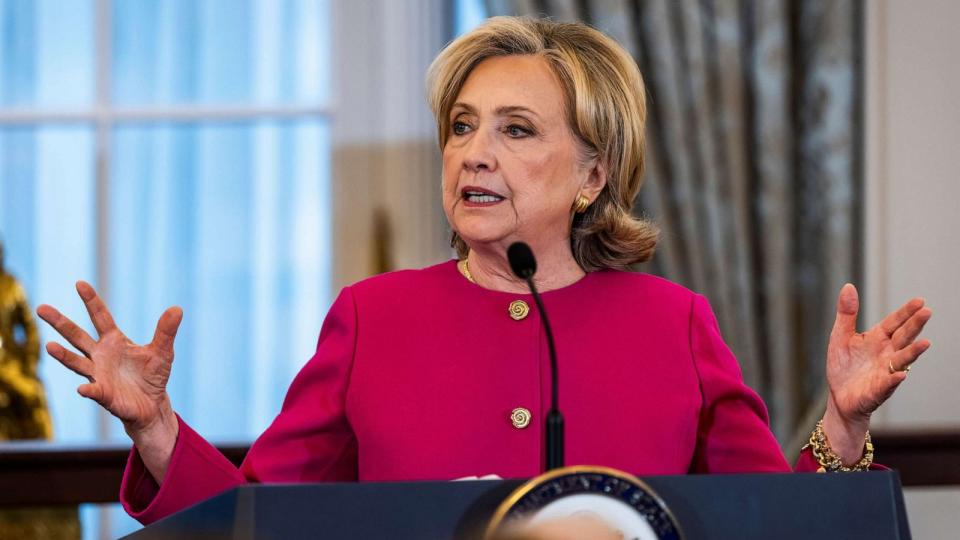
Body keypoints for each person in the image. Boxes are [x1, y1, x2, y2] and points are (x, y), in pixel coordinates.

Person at [37, 17, 932, 526]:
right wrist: (156, 428)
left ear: (593, 174)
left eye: (515, 129)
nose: (474, 153)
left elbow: (768, 531)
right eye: (461, 126)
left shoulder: (675, 324)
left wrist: (842, 428)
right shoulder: (371, 318)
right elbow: (257, 527)